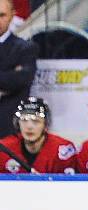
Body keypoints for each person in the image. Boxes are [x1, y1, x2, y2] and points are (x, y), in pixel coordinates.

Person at [0, 97, 77, 174]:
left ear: (45, 125)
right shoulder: (4, 148)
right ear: (17, 124)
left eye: (36, 121)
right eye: (24, 120)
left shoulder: (62, 150)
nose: (29, 126)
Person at [0, 0, 37, 138]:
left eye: (2, 15)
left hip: (9, 125)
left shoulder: (25, 48)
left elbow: (21, 80)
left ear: (12, 16)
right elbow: (12, 79)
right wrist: (9, 73)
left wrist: (14, 77)